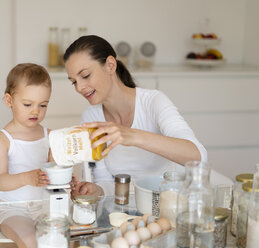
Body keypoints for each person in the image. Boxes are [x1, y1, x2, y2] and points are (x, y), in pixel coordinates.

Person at [63, 35, 207, 197]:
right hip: (123, 210)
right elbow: (106, 182)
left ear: (110, 65)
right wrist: (95, 190)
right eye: (74, 81)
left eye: (86, 75)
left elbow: (198, 157)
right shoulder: (91, 117)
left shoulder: (153, 102)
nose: (79, 87)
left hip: (166, 203)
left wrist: (133, 136)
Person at [0, 63, 53, 248]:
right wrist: (27, 177)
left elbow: (54, 172)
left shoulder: (49, 136)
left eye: (43, 105)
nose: (36, 111)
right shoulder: (3, 140)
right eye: (28, 104)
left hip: (44, 206)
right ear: (9, 101)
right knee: (30, 240)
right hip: (12, 209)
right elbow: (1, 181)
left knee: (62, 232)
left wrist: (65, 178)